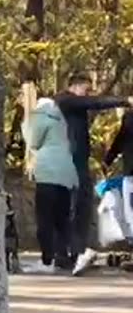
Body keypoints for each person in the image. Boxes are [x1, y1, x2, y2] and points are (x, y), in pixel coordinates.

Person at [53, 72, 133, 274]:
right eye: (86, 90)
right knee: (69, 207)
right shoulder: (65, 101)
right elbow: (93, 103)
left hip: (77, 162)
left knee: (82, 206)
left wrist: (107, 159)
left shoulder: (74, 105)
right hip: (66, 163)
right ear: (76, 86)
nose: (88, 94)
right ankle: (62, 255)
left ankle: (75, 252)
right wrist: (124, 100)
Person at [24, 96, 80, 271]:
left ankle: (47, 259)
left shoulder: (40, 116)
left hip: (48, 173)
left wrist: (26, 125)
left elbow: (33, 142)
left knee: (45, 218)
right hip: (66, 174)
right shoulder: (61, 119)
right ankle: (64, 256)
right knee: (62, 218)